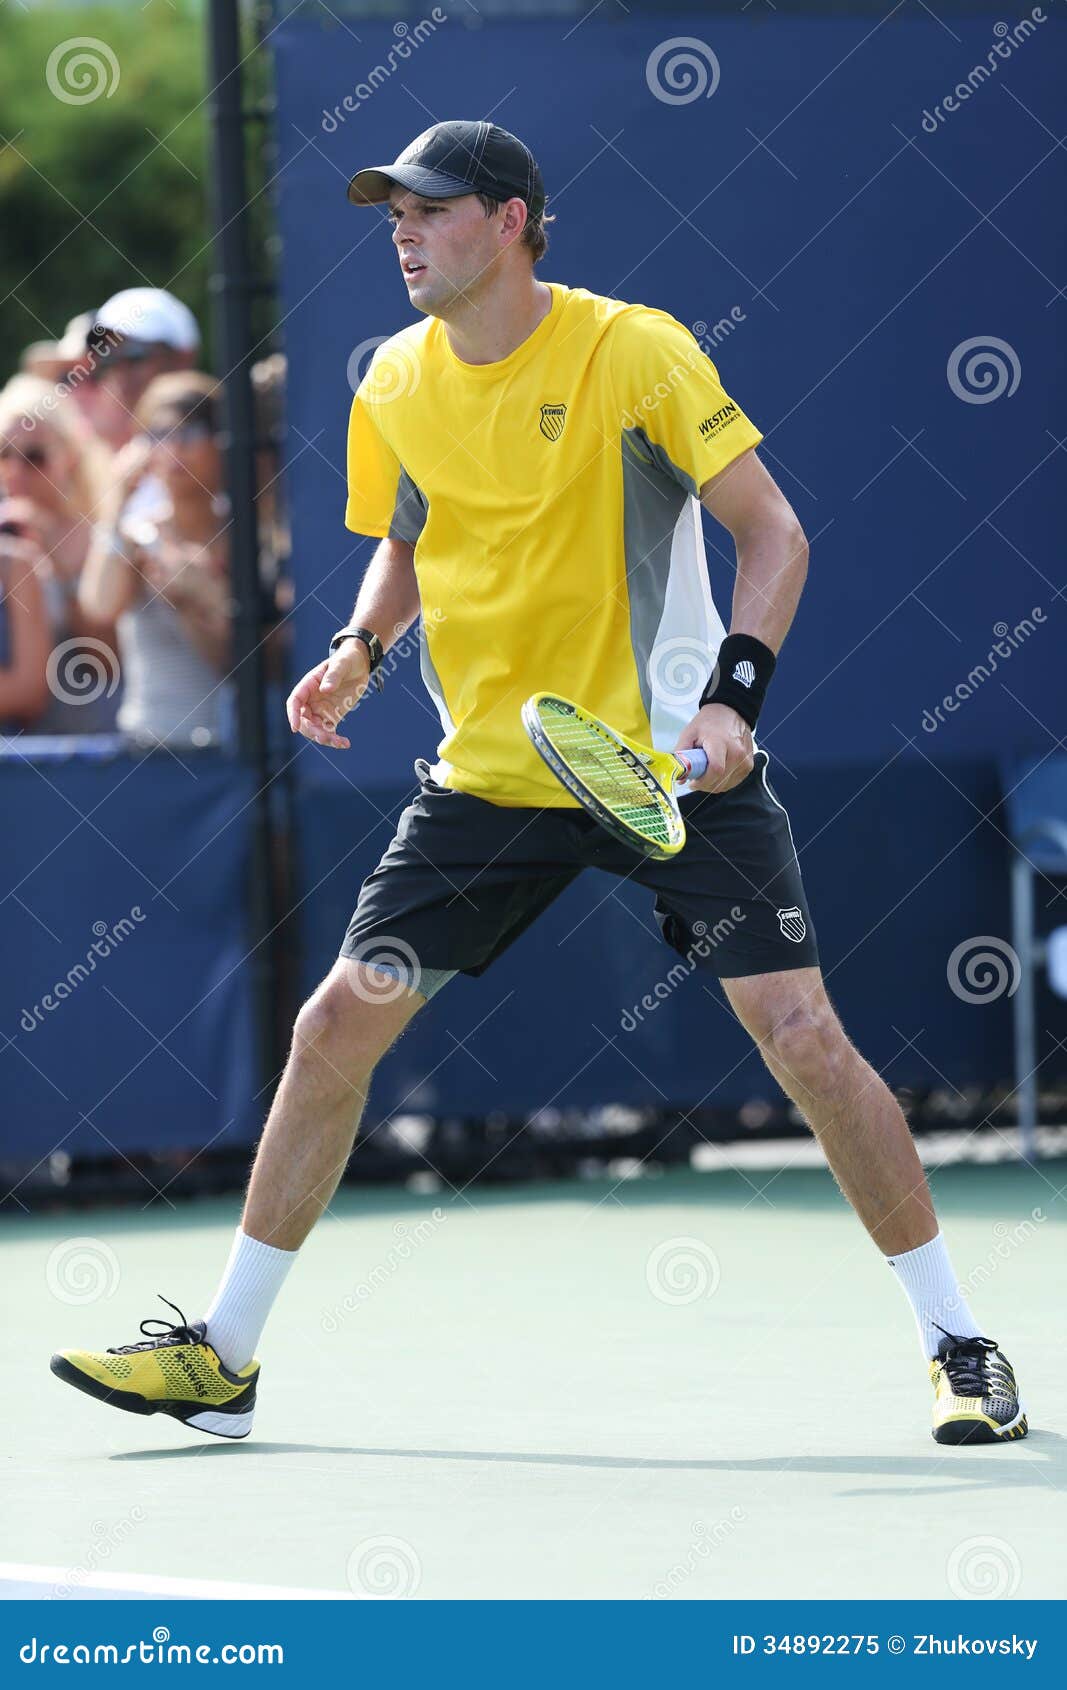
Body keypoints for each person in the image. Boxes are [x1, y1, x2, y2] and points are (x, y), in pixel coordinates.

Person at [51, 122, 1026, 1447]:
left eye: (432, 210)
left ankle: (955, 1339)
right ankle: (223, 1355)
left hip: (661, 772)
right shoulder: (393, 378)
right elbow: (408, 538)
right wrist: (356, 651)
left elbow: (772, 532)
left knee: (799, 1037)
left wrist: (728, 698)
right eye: (391, 211)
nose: (402, 231)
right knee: (336, 1022)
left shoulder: (634, 350)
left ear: (510, 221)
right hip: (490, 780)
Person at [77, 372, 234, 748]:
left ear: (222, 442)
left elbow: (256, 661)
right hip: (149, 746)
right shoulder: (136, 536)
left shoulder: (252, 536)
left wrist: (199, 599)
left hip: (234, 753)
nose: (174, 450)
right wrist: (116, 499)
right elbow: (100, 605)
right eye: (159, 435)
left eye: (191, 433)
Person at [0, 375, 118, 733]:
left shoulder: (101, 537)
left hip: (86, 741)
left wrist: (56, 560)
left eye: (34, 456)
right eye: (4, 453)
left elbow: (106, 658)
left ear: (68, 456)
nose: (16, 471)